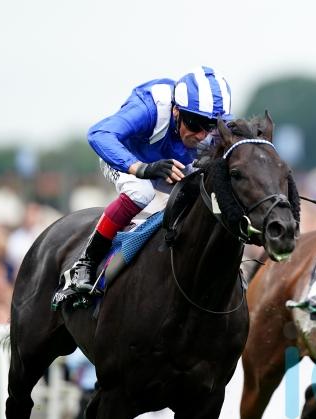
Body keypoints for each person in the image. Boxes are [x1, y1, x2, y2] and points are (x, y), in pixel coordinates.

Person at [56, 66, 233, 305]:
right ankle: (85, 262)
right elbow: (98, 134)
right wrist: (143, 169)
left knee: (208, 193)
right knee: (141, 191)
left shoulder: (215, 124)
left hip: (171, 164)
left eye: (210, 126)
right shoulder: (149, 107)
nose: (202, 135)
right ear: (176, 111)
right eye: (195, 124)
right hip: (126, 159)